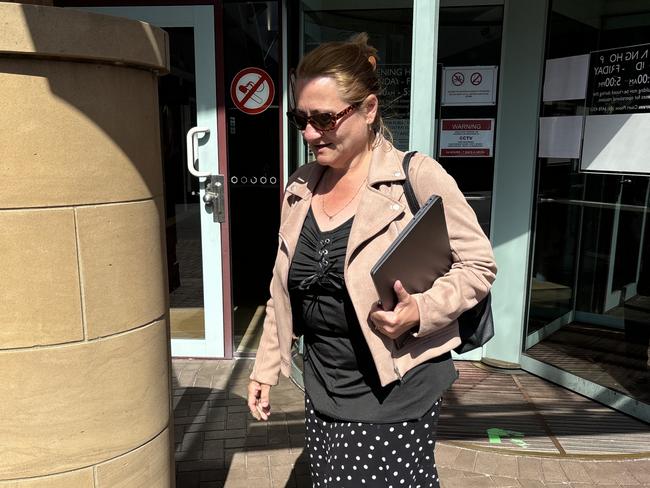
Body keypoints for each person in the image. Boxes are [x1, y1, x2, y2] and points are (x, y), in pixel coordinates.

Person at [248, 33, 496, 488]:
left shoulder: (415, 177)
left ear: (368, 109)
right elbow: (280, 288)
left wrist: (420, 310)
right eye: (300, 118)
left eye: (324, 118)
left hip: (396, 390)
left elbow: (479, 266)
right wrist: (266, 368)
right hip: (323, 388)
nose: (307, 133)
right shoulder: (300, 186)